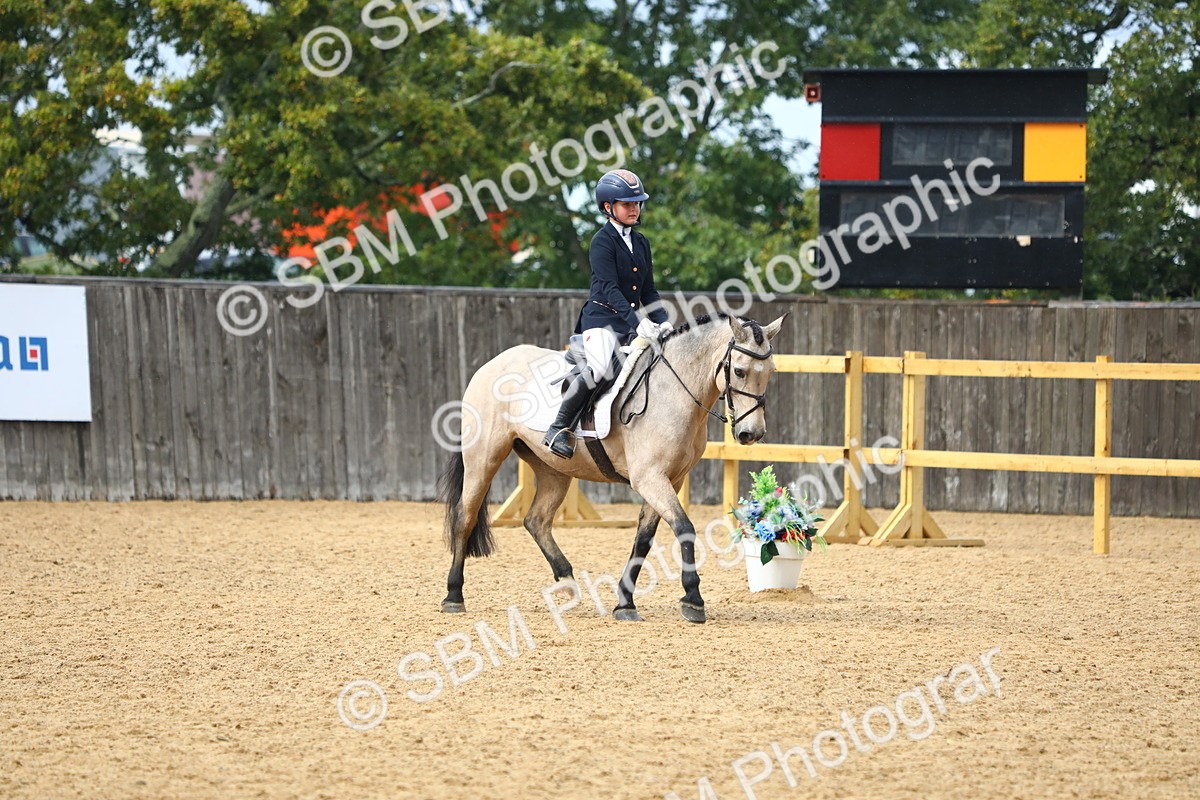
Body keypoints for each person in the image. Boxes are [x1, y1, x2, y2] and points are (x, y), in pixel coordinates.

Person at [542, 168, 673, 458]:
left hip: (630, 324)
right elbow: (611, 290)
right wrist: (639, 323)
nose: (634, 209)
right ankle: (559, 428)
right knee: (600, 367)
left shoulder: (641, 242)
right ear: (608, 207)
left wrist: (664, 322)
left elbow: (648, 290)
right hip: (601, 321)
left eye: (637, 203)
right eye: (628, 204)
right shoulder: (602, 241)